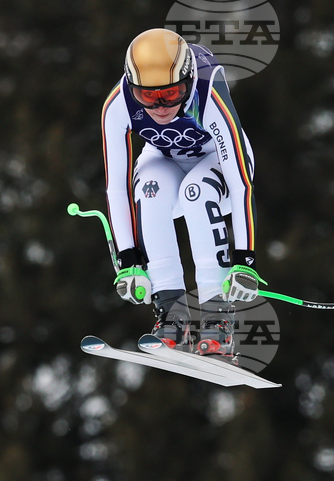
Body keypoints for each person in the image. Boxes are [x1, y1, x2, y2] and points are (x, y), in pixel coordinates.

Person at [101, 28, 264, 354]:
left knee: (196, 191)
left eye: (172, 93)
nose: (161, 106)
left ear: (188, 81)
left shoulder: (208, 89)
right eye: (149, 96)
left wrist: (245, 261)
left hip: (217, 159)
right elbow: (116, 187)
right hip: (164, 157)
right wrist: (130, 261)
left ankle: (217, 317)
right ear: (133, 88)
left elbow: (239, 180)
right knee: (150, 189)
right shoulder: (118, 103)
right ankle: (171, 313)